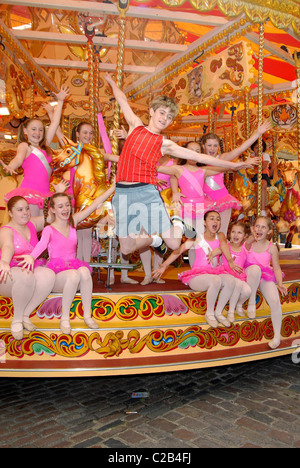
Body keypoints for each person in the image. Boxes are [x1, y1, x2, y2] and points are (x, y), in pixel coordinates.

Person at [104, 72, 257, 257]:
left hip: (145, 191)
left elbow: (200, 158)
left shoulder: (165, 144)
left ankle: (177, 221)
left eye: (169, 117)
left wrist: (233, 166)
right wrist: (112, 81)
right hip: (122, 193)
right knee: (127, 249)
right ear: (151, 112)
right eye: (162, 113)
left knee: (174, 242)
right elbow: (122, 99)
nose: (164, 118)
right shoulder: (135, 126)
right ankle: (155, 240)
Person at [20, 184, 115, 335]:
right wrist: (31, 257)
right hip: (57, 275)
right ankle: (64, 318)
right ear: (52, 209)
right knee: (74, 274)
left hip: (73, 268)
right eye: (60, 206)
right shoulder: (49, 229)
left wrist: (111, 188)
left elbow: (95, 204)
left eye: (67, 205)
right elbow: (41, 244)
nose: (65, 209)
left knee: (84, 271)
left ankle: (87, 315)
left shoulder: (73, 222)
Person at [153, 210, 240, 328]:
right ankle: (209, 314)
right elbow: (180, 250)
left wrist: (230, 261)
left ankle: (218, 312)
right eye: (212, 219)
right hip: (197, 276)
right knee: (216, 280)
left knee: (230, 280)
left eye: (218, 219)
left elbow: (224, 245)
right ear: (204, 222)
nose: (216, 221)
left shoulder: (220, 236)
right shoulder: (196, 238)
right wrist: (165, 265)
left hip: (215, 272)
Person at [1, 86, 71, 216]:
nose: (37, 133)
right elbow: (18, 158)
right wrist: (11, 166)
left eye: (40, 130)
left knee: (45, 227)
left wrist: (60, 101)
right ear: (26, 131)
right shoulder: (25, 146)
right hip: (30, 192)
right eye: (33, 129)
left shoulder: (45, 146)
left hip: (45, 193)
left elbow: (55, 122)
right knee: (32, 226)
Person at [0, 196, 56, 340]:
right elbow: (8, 246)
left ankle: (26, 314)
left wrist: (58, 195)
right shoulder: (6, 230)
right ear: (10, 213)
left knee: (48, 274)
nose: (25, 212)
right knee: (26, 274)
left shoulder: (31, 223)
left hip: (28, 269)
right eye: (20, 210)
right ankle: (17, 319)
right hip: (7, 273)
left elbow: (50, 217)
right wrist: (5, 261)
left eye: (26, 208)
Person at [201, 121, 272, 235]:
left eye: (215, 145)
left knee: (222, 233)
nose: (212, 148)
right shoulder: (199, 160)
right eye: (209, 145)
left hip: (222, 198)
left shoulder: (222, 158)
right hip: (204, 199)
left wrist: (257, 134)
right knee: (203, 234)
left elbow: (239, 149)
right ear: (204, 146)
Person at [244, 216, 288, 349]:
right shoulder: (250, 242)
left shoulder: (272, 248)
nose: (259, 229)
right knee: (255, 269)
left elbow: (276, 267)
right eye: (257, 226)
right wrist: (252, 237)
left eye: (263, 227)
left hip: (264, 274)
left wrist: (280, 283)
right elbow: (247, 243)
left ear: (269, 231)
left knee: (274, 300)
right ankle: (251, 302)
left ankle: (277, 336)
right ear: (253, 228)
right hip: (248, 273)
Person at [208, 221, 252, 322]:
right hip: (226, 273)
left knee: (247, 291)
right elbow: (218, 250)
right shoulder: (226, 246)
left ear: (245, 236)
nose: (235, 235)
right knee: (238, 284)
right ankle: (231, 311)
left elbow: (251, 259)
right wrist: (211, 254)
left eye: (239, 233)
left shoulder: (244, 249)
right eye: (233, 232)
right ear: (229, 233)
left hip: (238, 275)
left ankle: (239, 304)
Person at [250, 139, 272, 216]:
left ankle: (262, 210)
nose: (258, 150)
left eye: (260, 147)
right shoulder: (251, 156)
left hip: (263, 175)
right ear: (253, 148)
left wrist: (253, 164)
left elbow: (263, 166)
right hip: (252, 175)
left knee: (263, 183)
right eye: (256, 148)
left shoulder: (265, 155)